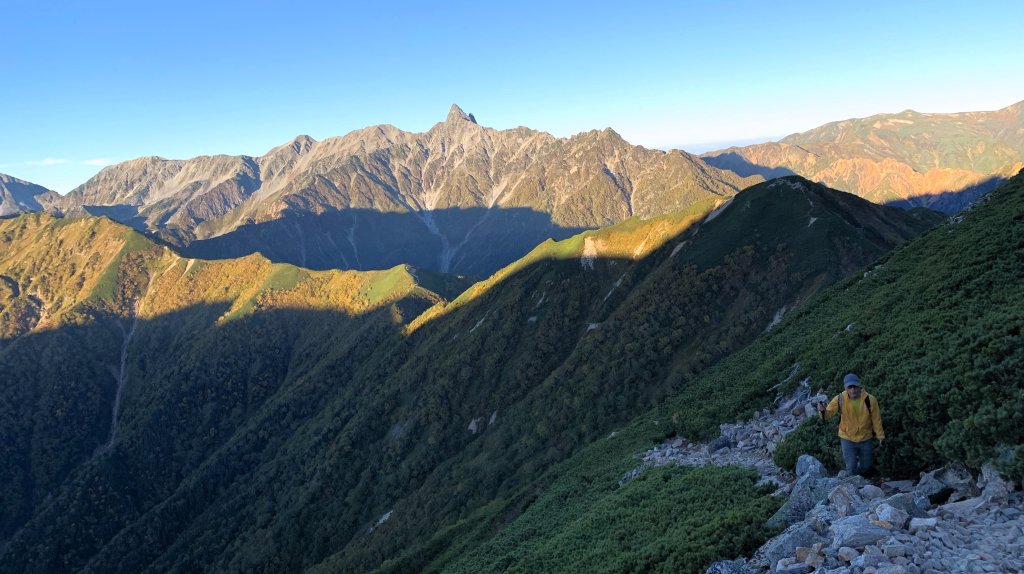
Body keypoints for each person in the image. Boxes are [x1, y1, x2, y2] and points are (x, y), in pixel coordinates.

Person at [816, 373, 885, 476]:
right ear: (846, 388)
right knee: (851, 466)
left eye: (855, 386)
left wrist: (880, 436)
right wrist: (822, 411)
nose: (853, 390)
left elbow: (876, 419)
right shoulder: (840, 399)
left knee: (867, 464)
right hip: (847, 437)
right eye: (850, 387)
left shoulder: (870, 400)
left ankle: (859, 478)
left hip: (865, 437)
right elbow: (827, 415)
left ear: (859, 386)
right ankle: (854, 484)